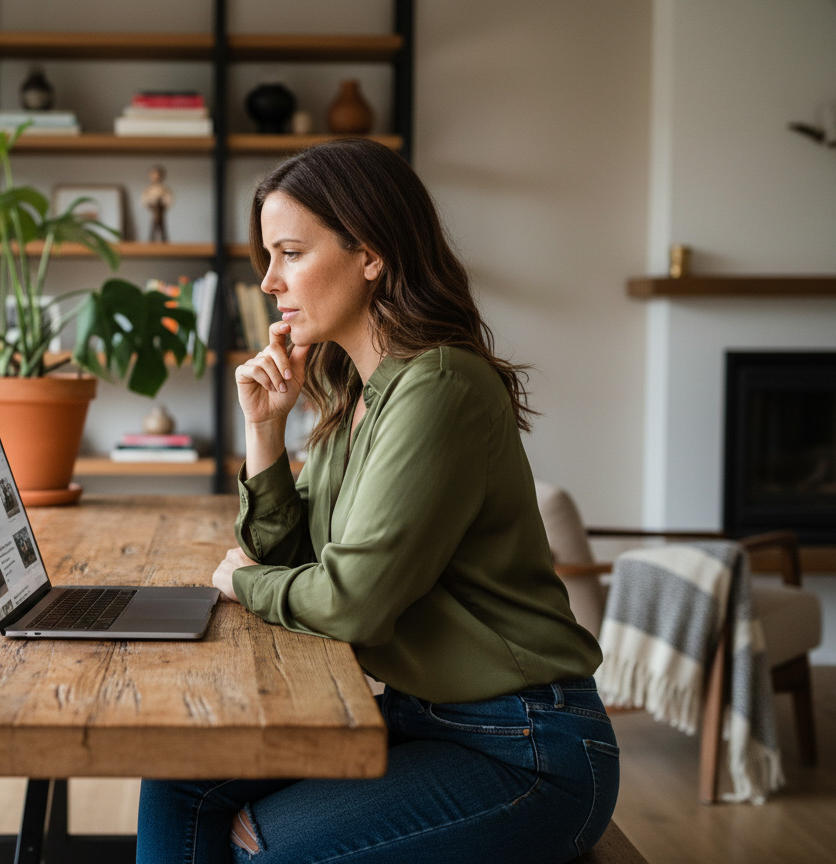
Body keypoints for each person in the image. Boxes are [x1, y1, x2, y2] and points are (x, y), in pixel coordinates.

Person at [136, 138, 618, 864]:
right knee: (180, 782)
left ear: (371, 253)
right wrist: (264, 429)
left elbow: (349, 600)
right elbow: (293, 560)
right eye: (267, 257)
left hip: (527, 749)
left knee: (258, 846)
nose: (269, 280)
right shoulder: (357, 395)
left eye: (291, 253)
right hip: (419, 715)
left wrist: (240, 581)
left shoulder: (441, 387)